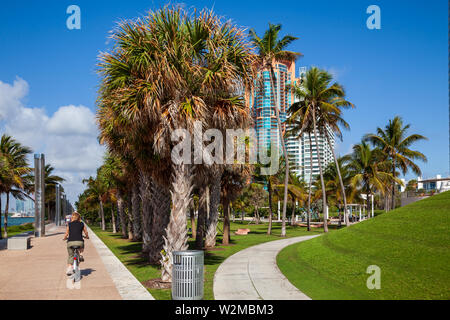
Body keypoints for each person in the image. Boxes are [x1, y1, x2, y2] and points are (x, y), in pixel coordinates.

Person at [62, 212, 89, 276]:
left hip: (70, 242)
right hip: (80, 242)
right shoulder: (82, 224)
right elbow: (86, 232)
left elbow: (66, 234)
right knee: (82, 245)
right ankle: (81, 254)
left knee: (70, 255)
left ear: (72, 218)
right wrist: (87, 236)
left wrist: (64, 238)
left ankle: (69, 268)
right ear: (79, 218)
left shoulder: (69, 224)